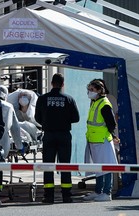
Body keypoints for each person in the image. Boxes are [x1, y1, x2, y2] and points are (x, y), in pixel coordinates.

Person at [35, 73, 80, 204]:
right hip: (64, 135)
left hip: (49, 135)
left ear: (51, 83)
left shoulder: (43, 99)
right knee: (65, 165)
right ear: (63, 84)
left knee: (48, 165)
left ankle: (48, 196)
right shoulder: (68, 99)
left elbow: (37, 118)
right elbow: (76, 118)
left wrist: (47, 122)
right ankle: (67, 195)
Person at [83, 79, 119, 202]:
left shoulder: (104, 103)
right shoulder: (95, 102)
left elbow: (111, 123)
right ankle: (98, 191)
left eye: (92, 90)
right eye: (89, 89)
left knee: (107, 167)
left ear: (99, 91)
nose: (89, 92)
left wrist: (113, 135)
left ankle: (106, 192)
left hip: (102, 140)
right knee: (98, 168)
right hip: (94, 140)